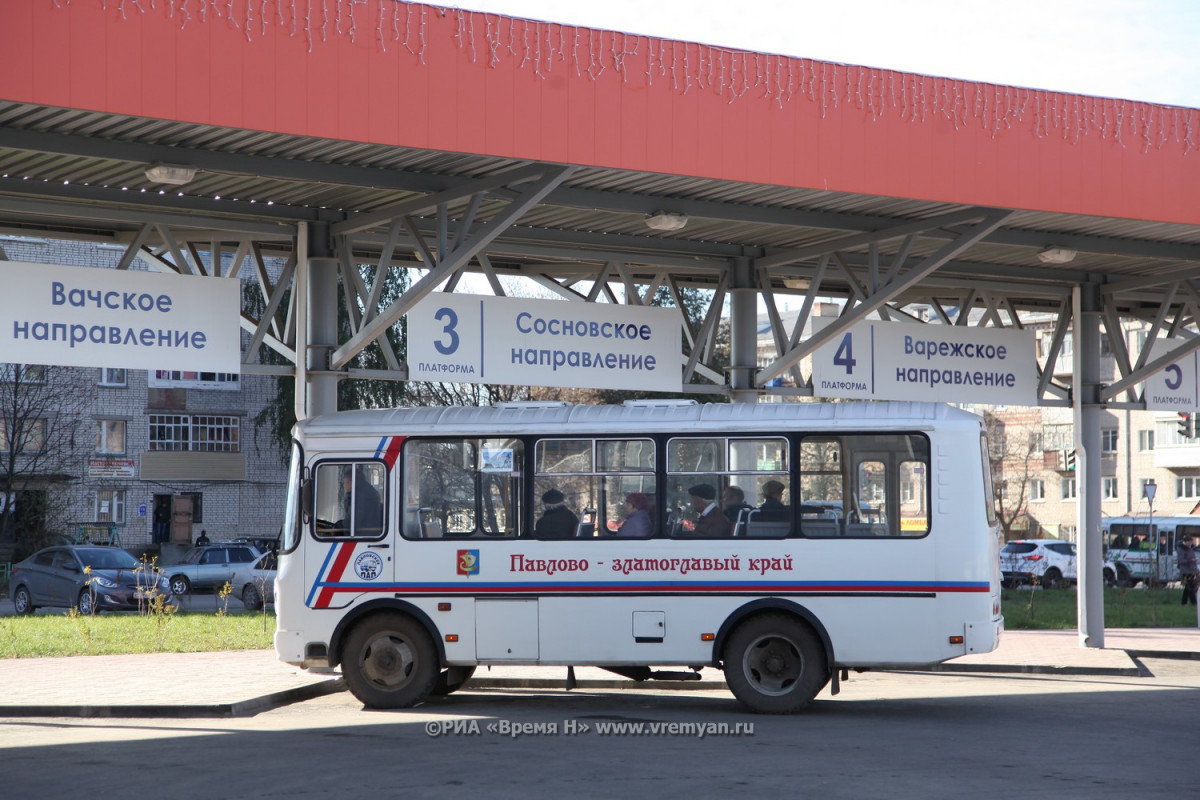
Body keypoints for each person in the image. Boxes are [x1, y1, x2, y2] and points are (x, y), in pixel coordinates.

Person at [338, 465, 383, 536]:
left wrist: (339, 526)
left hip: (362, 536)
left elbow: (353, 522)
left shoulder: (360, 496)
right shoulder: (366, 491)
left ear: (351, 482)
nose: (344, 485)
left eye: (345, 482)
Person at [1177, 534, 1199, 606]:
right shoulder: (1181, 549)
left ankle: (1184, 602)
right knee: (1190, 586)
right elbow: (1181, 561)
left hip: (1191, 570)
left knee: (1188, 587)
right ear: (1186, 541)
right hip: (1185, 571)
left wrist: (1196, 570)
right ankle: (1193, 602)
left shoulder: (1189, 548)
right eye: (1190, 542)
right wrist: (1190, 560)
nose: (1191, 543)